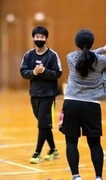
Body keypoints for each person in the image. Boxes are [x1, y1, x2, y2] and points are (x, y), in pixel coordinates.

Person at [59, 29, 106, 180]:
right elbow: (92, 57)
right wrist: (104, 49)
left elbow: (86, 55)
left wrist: (101, 49)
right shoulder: (101, 61)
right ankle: (98, 177)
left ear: (76, 43)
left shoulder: (71, 57)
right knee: (95, 143)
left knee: (71, 141)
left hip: (71, 103)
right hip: (92, 104)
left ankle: (76, 176)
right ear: (92, 43)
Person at [19, 26, 62, 164]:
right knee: (44, 124)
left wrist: (44, 71)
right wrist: (34, 73)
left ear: (46, 38)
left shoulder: (52, 55)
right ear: (33, 38)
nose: (39, 39)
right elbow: (23, 71)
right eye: (37, 37)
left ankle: (37, 153)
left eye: (42, 37)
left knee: (43, 124)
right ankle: (53, 150)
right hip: (34, 94)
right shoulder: (28, 55)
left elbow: (58, 73)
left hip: (48, 95)